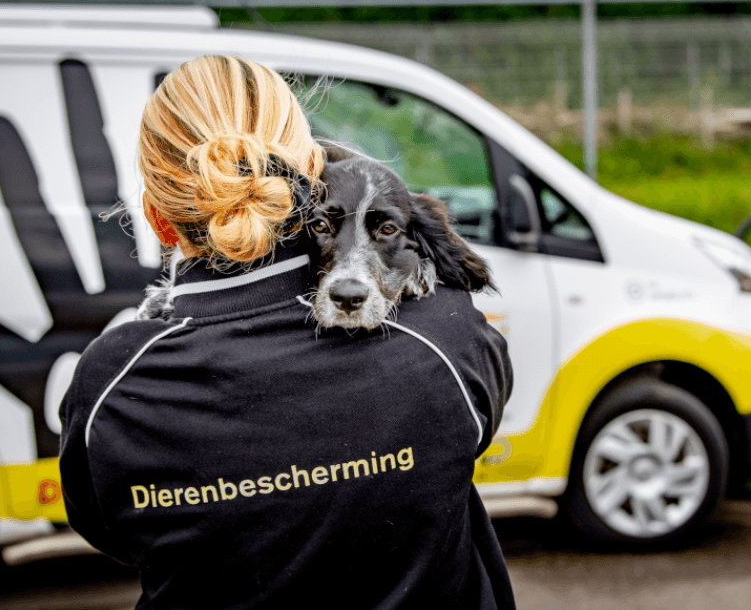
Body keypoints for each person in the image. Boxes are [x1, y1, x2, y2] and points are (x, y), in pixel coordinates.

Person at [58, 55, 516, 610]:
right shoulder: (444, 339)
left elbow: (110, 532)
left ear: (157, 218)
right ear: (310, 177)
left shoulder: (111, 384)